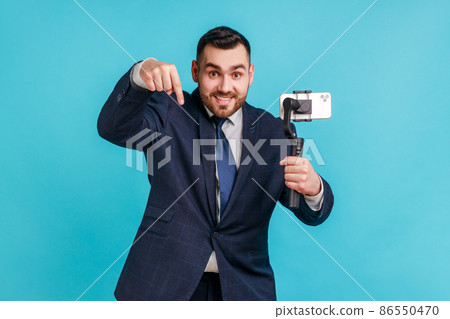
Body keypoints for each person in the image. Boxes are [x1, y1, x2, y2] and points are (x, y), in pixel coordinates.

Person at [97, 26, 334, 301]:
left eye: (236, 74)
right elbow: (112, 128)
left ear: (250, 75)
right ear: (195, 71)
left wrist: (314, 188)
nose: (225, 87)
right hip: (163, 286)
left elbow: (311, 213)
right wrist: (140, 73)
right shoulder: (167, 112)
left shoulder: (274, 131)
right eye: (213, 73)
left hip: (243, 289)